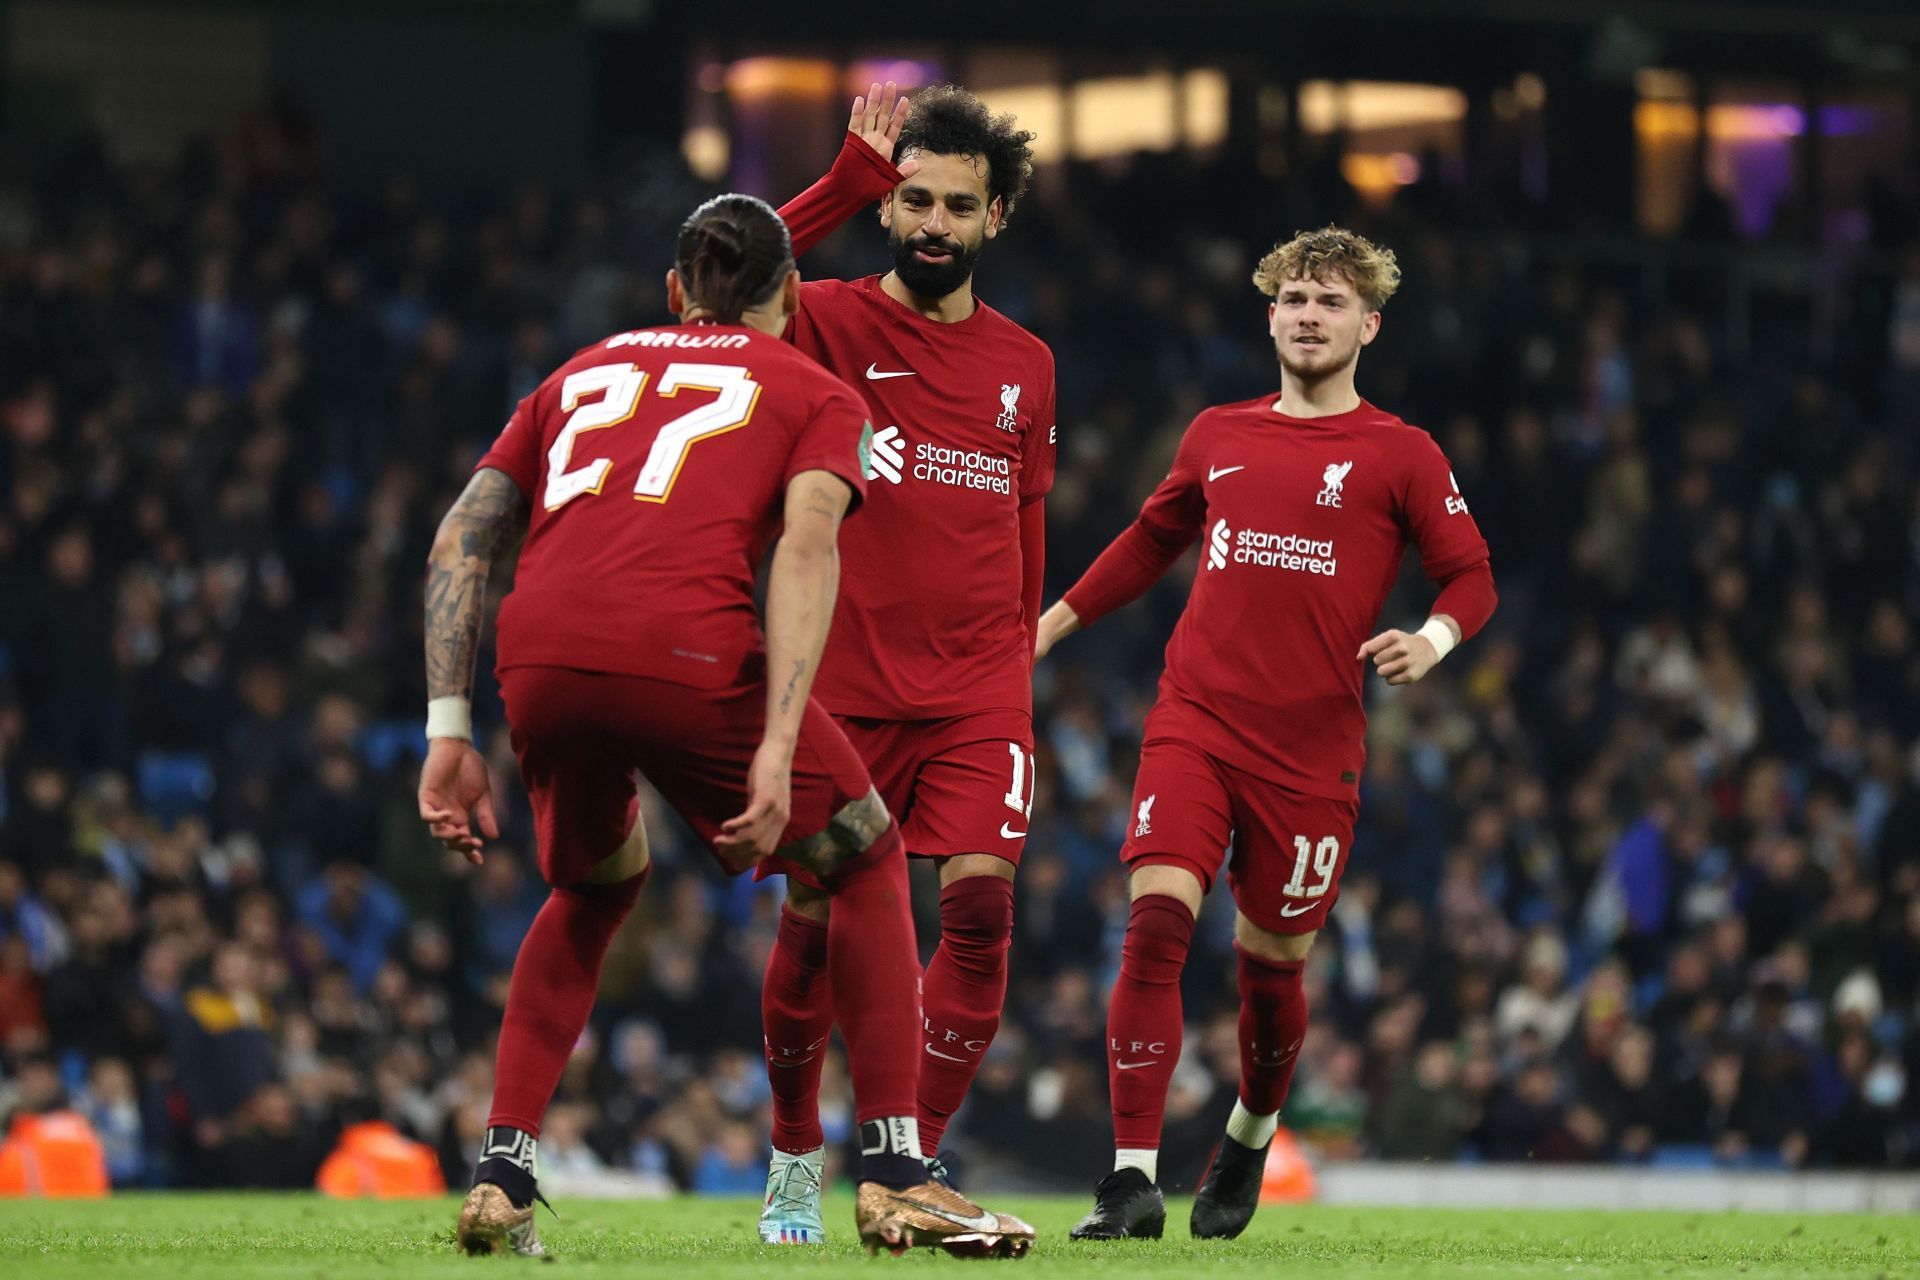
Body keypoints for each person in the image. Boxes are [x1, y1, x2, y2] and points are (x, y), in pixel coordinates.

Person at [416, 194, 1032, 1258]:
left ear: (674, 292)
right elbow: (803, 551)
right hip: (687, 650)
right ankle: (896, 1171)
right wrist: (781, 742)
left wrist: (447, 727)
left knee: (594, 885)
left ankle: (503, 1169)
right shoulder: (813, 386)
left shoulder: (579, 370)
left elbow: (466, 531)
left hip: (542, 654)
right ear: (792, 296)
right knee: (867, 851)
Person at [1037, 226, 1498, 1240]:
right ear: (1270, 315)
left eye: (1330, 302)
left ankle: (1249, 1131)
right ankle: (1130, 1178)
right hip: (1196, 719)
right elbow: (1149, 540)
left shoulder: (1400, 452)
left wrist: (1434, 636)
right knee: (1155, 921)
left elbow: (1473, 573)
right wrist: (1049, 625)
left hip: (1313, 750)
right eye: (1293, 297)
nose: (1307, 314)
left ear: (1367, 325)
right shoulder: (1217, 433)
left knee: (1271, 969)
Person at [752, 83, 1056, 1245]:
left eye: (957, 206)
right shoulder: (822, 318)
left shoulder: (1028, 363)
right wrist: (841, 181)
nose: (933, 222)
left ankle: (902, 1165)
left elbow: (1027, 530)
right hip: (849, 684)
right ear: (891, 206)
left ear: (996, 220)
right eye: (915, 199)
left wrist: (1017, 673)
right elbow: (712, 287)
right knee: (819, 931)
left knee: (979, 913)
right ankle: (792, 1147)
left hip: (979, 686)